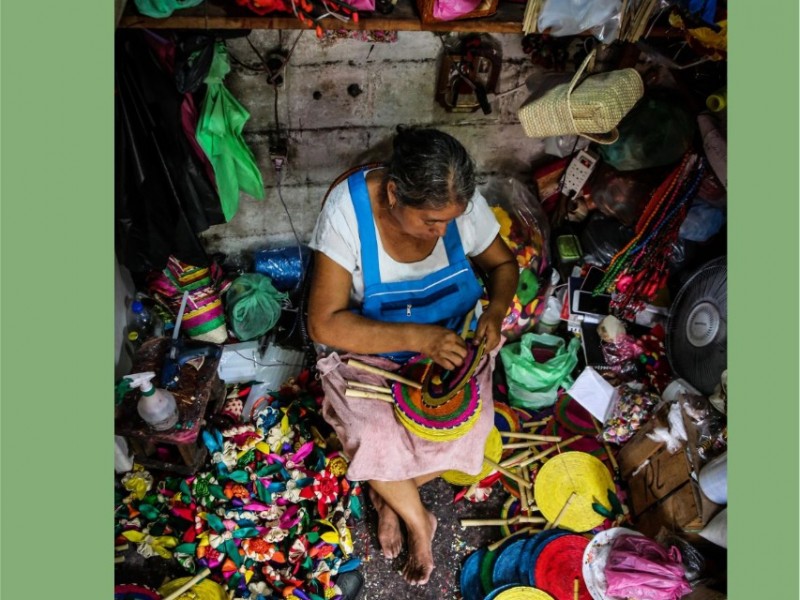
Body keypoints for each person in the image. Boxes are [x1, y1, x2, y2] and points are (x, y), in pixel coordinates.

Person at [307, 127, 519, 585]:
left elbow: (503, 265)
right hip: (372, 356)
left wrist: (496, 312)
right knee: (372, 435)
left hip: (449, 350)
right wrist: (419, 338)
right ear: (393, 193)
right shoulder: (349, 211)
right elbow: (323, 323)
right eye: (430, 220)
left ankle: (390, 499)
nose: (443, 232)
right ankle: (419, 518)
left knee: (473, 431)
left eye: (450, 220)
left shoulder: (459, 207)